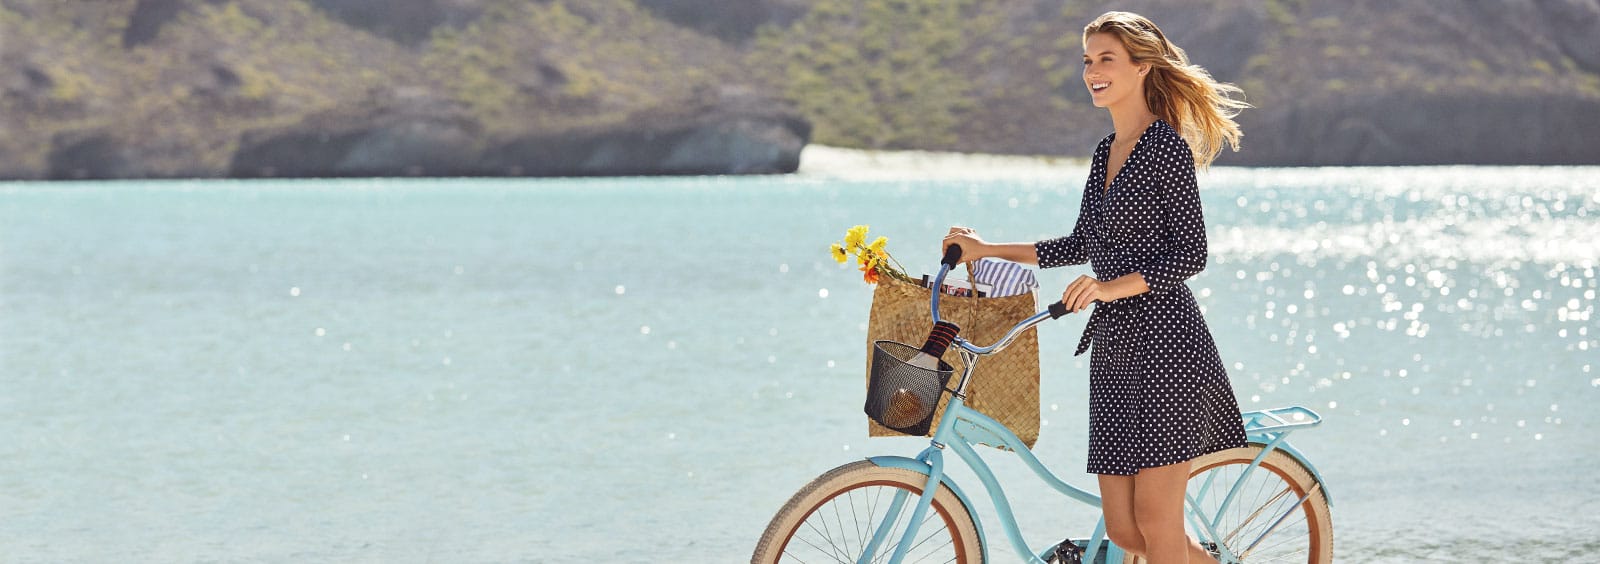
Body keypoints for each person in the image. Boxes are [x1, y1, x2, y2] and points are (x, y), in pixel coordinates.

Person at [941, 11, 1250, 564]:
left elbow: (1191, 254)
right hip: (1113, 350)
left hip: (1167, 346)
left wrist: (1109, 289)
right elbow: (1079, 243)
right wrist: (986, 249)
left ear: (1142, 66)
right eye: (1088, 60)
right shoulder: (1106, 151)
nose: (1092, 71)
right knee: (1127, 533)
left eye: (1106, 59)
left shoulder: (1166, 148)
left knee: (1157, 521)